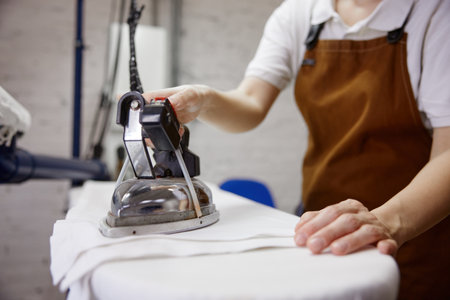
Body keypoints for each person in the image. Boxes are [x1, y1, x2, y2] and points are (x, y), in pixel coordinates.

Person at [142, 0, 450, 298]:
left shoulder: (436, 12)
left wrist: (386, 222)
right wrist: (204, 99)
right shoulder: (300, 12)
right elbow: (250, 102)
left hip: (415, 231)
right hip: (320, 226)